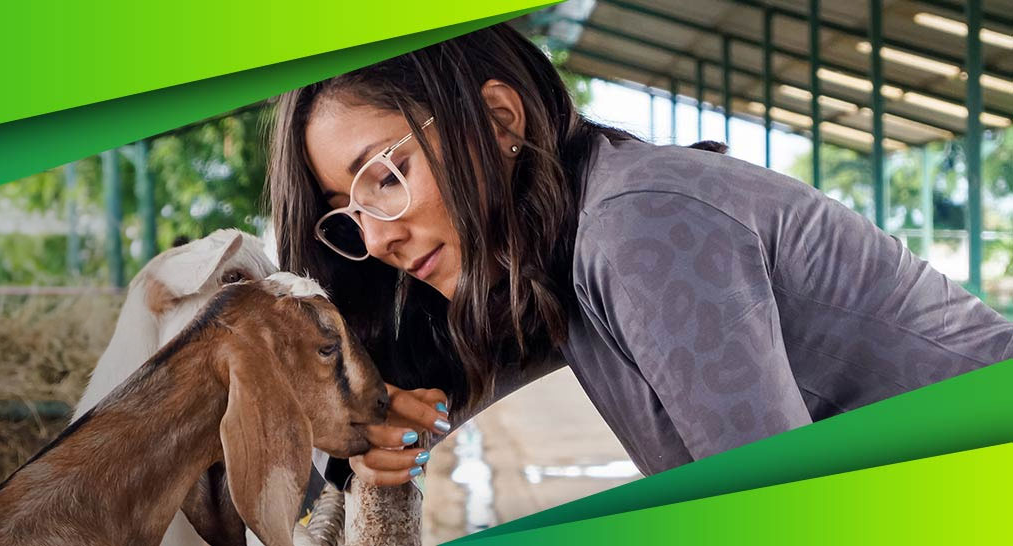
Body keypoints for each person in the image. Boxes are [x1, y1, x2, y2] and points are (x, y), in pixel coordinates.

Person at [266, 22, 1013, 488]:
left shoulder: (638, 228)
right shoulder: (564, 250)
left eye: (386, 176)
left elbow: (774, 511)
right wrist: (386, 425)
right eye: (346, 213)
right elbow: (435, 390)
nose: (375, 240)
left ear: (498, 119)